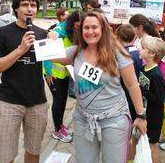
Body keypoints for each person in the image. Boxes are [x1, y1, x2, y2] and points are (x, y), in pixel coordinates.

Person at [53, 11, 147, 163]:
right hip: (83, 119)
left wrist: (141, 116)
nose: (90, 32)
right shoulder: (76, 52)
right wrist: (53, 34)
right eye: (86, 28)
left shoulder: (117, 53)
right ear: (81, 30)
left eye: (94, 27)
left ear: (103, 29)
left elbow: (132, 84)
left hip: (114, 120)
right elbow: (45, 53)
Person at [0, 0, 48, 163]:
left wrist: (54, 41)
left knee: (33, 151)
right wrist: (20, 50)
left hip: (37, 102)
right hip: (9, 102)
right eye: (24, 5)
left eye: (33, 5)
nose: (29, 9)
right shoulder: (3, 33)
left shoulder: (42, 34)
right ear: (16, 9)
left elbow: (59, 59)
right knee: (5, 156)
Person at [43, 11, 82, 143]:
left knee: (63, 99)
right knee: (58, 100)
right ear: (72, 23)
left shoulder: (72, 31)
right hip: (52, 74)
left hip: (64, 73)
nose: (79, 29)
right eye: (77, 26)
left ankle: (60, 125)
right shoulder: (59, 31)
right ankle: (57, 131)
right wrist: (48, 73)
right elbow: (48, 50)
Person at [137, 36, 165, 163]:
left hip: (154, 116)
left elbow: (160, 99)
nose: (139, 49)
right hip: (144, 112)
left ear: (152, 53)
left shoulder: (156, 75)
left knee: (152, 145)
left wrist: (143, 91)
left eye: (143, 48)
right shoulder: (143, 69)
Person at [115, 24, 142, 121]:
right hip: (137, 90)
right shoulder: (138, 51)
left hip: (126, 92)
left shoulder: (123, 54)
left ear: (118, 37)